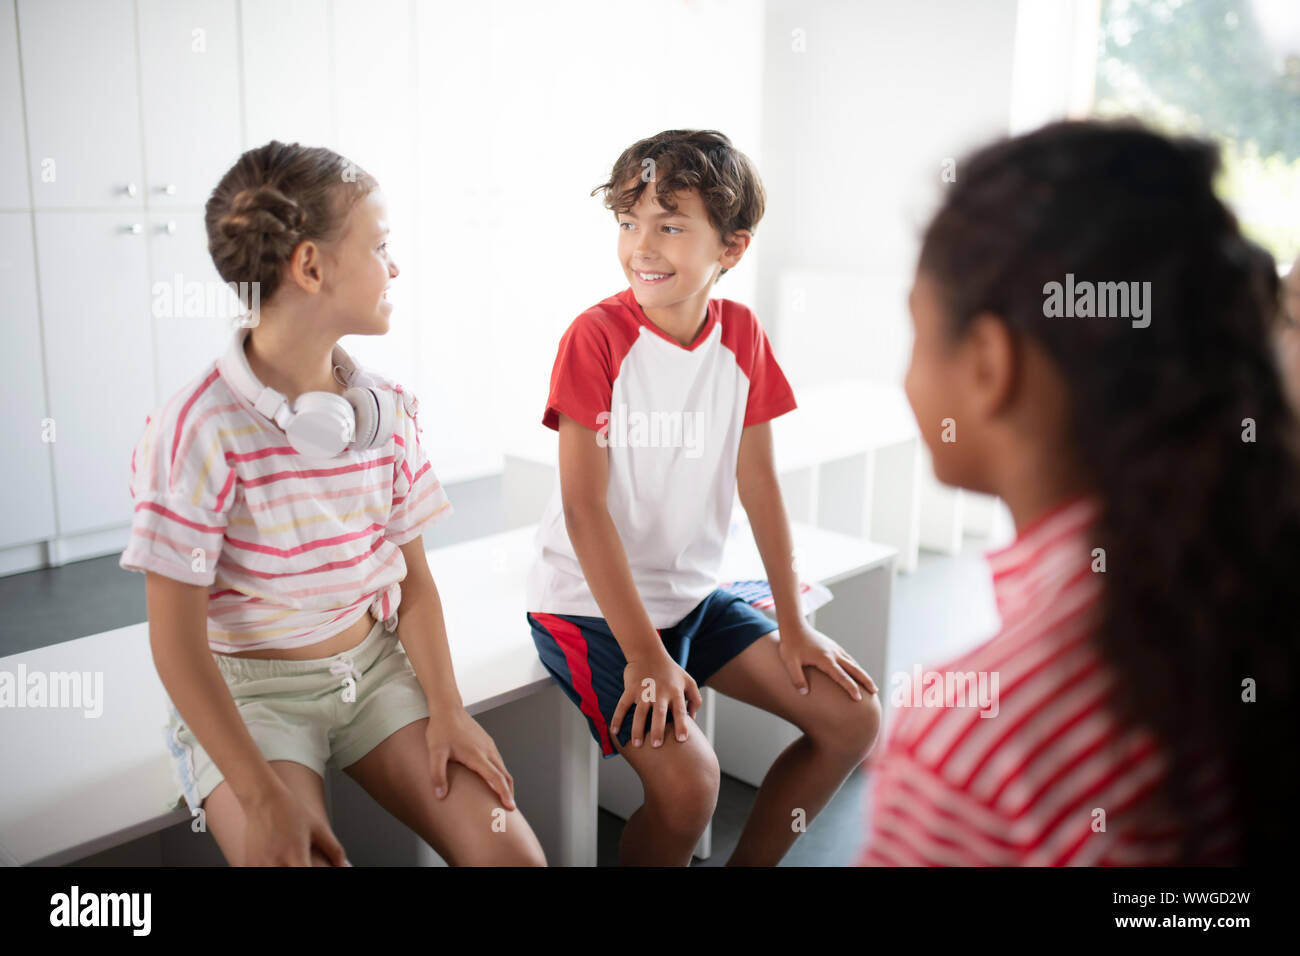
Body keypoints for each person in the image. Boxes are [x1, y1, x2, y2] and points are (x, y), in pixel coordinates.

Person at [859, 119, 1300, 866]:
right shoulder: (1254, 585)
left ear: (990, 363)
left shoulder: (974, 752)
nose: (907, 377)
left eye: (918, 333)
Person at [121, 141, 545, 866]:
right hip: (250, 696)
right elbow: (177, 643)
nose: (395, 267)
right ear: (311, 267)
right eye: (380, 246)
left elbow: (414, 584)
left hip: (372, 671)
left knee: (514, 858)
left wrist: (447, 710)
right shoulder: (195, 429)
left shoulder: (386, 412)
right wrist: (260, 795)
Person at [524, 129, 881, 866]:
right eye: (629, 222)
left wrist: (794, 627)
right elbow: (584, 510)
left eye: (671, 226)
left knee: (853, 718)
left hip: (691, 597)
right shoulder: (594, 338)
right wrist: (645, 655)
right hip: (589, 608)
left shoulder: (742, 336)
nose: (641, 247)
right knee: (691, 786)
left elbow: (760, 485)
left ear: (732, 248)